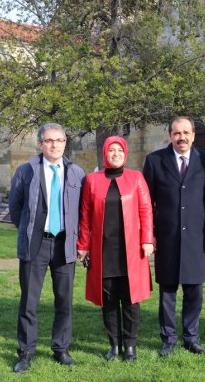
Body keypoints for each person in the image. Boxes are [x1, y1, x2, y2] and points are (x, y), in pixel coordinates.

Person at [9, 123, 85, 372]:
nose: (55, 145)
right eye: (49, 140)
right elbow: (16, 208)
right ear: (41, 144)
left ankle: (61, 349)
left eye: (59, 140)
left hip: (65, 244)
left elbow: (83, 211)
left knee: (64, 300)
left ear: (65, 143)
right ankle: (26, 352)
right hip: (36, 244)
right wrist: (31, 231)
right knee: (29, 301)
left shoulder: (76, 173)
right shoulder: (26, 170)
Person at [77, 136, 154, 362]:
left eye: (120, 150)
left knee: (131, 299)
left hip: (131, 250)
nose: (116, 153)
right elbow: (85, 216)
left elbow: (146, 211)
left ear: (125, 153)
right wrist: (83, 246)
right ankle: (114, 344)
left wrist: (147, 239)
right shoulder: (92, 180)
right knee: (108, 299)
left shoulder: (136, 178)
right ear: (105, 154)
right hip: (104, 250)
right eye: (111, 150)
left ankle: (130, 346)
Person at [143, 117, 205, 357]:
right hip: (166, 236)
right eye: (176, 133)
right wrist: (149, 235)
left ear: (193, 135)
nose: (181, 137)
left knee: (194, 290)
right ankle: (169, 338)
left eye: (186, 132)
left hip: (197, 236)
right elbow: (146, 204)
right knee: (168, 291)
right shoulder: (154, 161)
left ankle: (191, 338)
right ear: (169, 135)